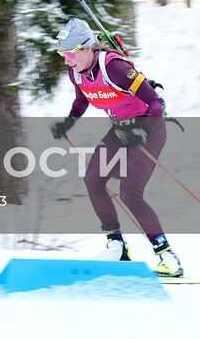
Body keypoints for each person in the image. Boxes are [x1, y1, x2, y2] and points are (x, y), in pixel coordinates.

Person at [49, 17, 183, 278]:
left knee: (130, 193)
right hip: (121, 129)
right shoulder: (76, 71)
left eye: (69, 53)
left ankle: (167, 256)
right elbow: (82, 99)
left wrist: (141, 130)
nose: (66, 60)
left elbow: (156, 103)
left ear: (88, 48)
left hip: (150, 128)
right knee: (93, 180)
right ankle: (117, 246)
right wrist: (68, 123)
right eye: (62, 54)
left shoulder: (116, 68)